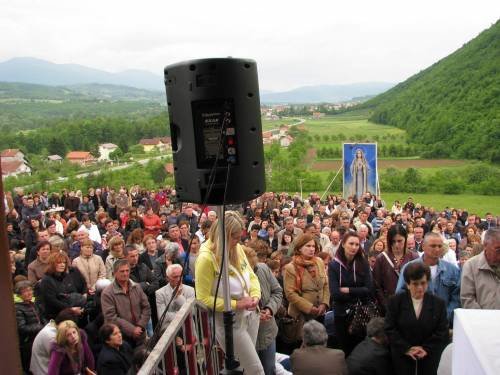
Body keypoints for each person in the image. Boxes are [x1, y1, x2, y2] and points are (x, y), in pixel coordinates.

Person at [195, 211, 264, 374]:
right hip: (231, 324)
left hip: (251, 317)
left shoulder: (237, 248)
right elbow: (203, 299)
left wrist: (255, 295)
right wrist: (236, 304)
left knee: (243, 368)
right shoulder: (206, 258)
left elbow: (251, 275)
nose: (238, 242)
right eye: (234, 238)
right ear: (223, 235)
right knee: (256, 370)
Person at [385, 262, 449, 375]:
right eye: (415, 284)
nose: (420, 288)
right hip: (402, 358)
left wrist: (426, 348)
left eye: (423, 283)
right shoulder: (395, 302)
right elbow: (390, 328)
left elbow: (442, 331)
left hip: (429, 359)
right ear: (408, 284)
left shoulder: (438, 304)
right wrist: (407, 348)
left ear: (428, 282)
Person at [396, 232, 461, 323]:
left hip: (444, 324)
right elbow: (400, 294)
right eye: (433, 246)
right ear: (423, 246)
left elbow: (456, 298)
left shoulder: (452, 270)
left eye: (439, 246)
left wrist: (444, 316)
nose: (437, 249)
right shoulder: (409, 268)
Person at [328, 232, 373, 355]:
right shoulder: (334, 265)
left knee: (359, 348)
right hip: (342, 314)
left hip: (360, 312)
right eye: (351, 244)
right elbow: (335, 293)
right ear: (343, 244)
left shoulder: (363, 263)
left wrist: (349, 290)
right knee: (344, 348)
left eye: (357, 244)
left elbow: (369, 289)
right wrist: (360, 291)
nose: (354, 247)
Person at [244, 245, 283, 375]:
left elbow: (277, 291)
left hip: (268, 333)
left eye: (255, 267)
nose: (254, 271)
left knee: (269, 369)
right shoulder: (234, 280)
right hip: (248, 339)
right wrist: (254, 316)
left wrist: (270, 309)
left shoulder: (263, 268)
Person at [283, 234, 329, 343]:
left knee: (319, 343)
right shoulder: (291, 268)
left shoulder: (319, 262)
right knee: (303, 344)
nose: (312, 249)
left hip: (319, 313)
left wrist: (324, 303)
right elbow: (290, 294)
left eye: (313, 246)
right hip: (301, 317)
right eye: (308, 246)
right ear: (299, 248)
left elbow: (326, 284)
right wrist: (309, 308)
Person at [101, 259, 151, 347]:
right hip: (122, 339)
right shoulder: (107, 293)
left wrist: (140, 326)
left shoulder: (137, 287)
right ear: (115, 273)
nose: (125, 273)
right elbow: (111, 317)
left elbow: (146, 307)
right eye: (122, 271)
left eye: (127, 270)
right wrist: (132, 330)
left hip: (140, 334)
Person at [373, 225, 418, 313]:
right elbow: (376, 285)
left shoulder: (414, 257)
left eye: (400, 241)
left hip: (410, 305)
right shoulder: (381, 258)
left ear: (405, 239)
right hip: (388, 306)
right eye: (393, 241)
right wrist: (386, 304)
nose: (396, 244)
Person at [30, 308, 81, 375]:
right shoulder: (52, 336)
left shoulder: (52, 326)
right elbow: (61, 361)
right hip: (43, 370)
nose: (73, 336)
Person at [39, 252, 87, 320]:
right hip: (55, 314)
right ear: (52, 264)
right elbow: (52, 301)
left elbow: (70, 293)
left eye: (64, 263)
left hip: (69, 308)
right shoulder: (46, 280)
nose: (62, 265)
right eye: (59, 263)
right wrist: (70, 309)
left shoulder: (64, 276)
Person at [460, 228, 500, 309]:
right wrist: (484, 318)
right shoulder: (471, 266)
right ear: (485, 245)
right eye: (498, 250)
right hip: (481, 320)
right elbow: (467, 299)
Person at [15, 280, 45, 373]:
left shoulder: (33, 303)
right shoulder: (18, 308)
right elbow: (22, 328)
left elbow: (41, 317)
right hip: (28, 342)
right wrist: (41, 327)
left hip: (39, 337)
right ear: (19, 294)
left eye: (30, 290)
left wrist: (47, 324)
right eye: (25, 291)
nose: (29, 293)